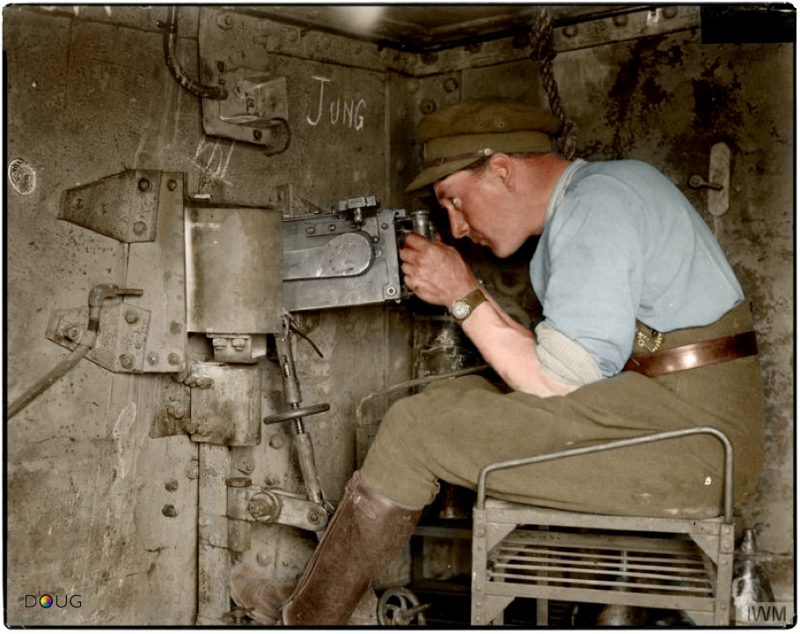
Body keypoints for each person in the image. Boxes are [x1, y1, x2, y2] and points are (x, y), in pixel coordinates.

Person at [230, 98, 765, 625]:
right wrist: (467, 294)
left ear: (502, 171)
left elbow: (556, 380)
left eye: (456, 201)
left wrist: (462, 295)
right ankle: (346, 605)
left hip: (691, 445)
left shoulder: (595, 207)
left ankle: (307, 620)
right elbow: (552, 357)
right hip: (667, 418)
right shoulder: (604, 193)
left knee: (415, 428)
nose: (457, 227)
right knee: (445, 400)